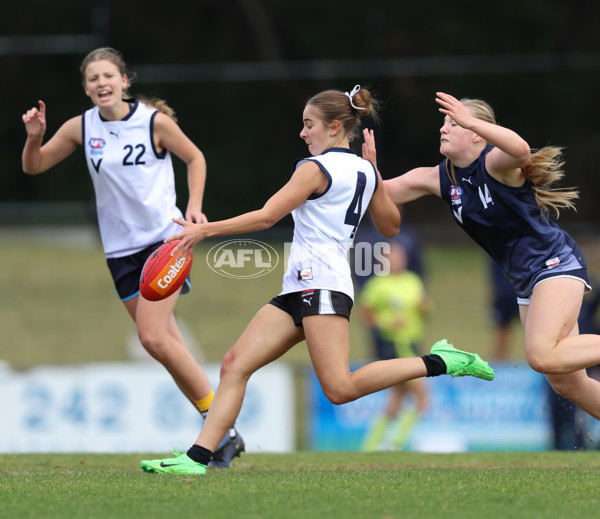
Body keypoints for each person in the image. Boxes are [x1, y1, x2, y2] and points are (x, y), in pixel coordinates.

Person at [139, 85, 494, 475]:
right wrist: (373, 173)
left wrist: (203, 232)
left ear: (335, 126)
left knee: (339, 387)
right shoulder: (362, 169)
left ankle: (440, 361)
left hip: (320, 283)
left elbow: (267, 216)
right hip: (302, 283)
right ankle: (196, 460)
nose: (303, 133)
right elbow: (390, 226)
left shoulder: (314, 168)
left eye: (309, 125)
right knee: (235, 363)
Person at [21, 47, 243, 468]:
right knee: (168, 345)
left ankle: (219, 431)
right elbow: (35, 167)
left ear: (125, 80)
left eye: (109, 76)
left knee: (153, 338)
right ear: (86, 89)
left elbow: (195, 157)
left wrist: (194, 207)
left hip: (164, 243)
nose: (101, 83)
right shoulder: (81, 128)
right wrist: (34, 138)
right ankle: (223, 434)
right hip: (120, 252)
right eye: (93, 79)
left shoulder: (153, 122)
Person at [373, 91, 600, 422]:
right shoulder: (442, 177)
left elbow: (521, 150)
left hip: (553, 264)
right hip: (526, 280)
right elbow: (383, 193)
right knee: (567, 382)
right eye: (444, 123)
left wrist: (468, 118)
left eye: (453, 122)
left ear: (476, 132)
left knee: (541, 355)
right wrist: (368, 171)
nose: (443, 129)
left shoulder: (494, 162)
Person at [359, 242, 430, 451]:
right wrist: (388, 323)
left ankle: (370, 446)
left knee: (396, 401)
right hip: (395, 345)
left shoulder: (413, 281)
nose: (398, 261)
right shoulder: (378, 285)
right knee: (422, 399)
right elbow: (366, 315)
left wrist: (424, 307)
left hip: (412, 342)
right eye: (393, 257)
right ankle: (394, 442)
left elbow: (426, 311)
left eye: (401, 256)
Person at [489, 260, 519, 360]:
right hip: (505, 292)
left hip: (524, 288)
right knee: (503, 326)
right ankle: (499, 361)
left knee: (533, 327)